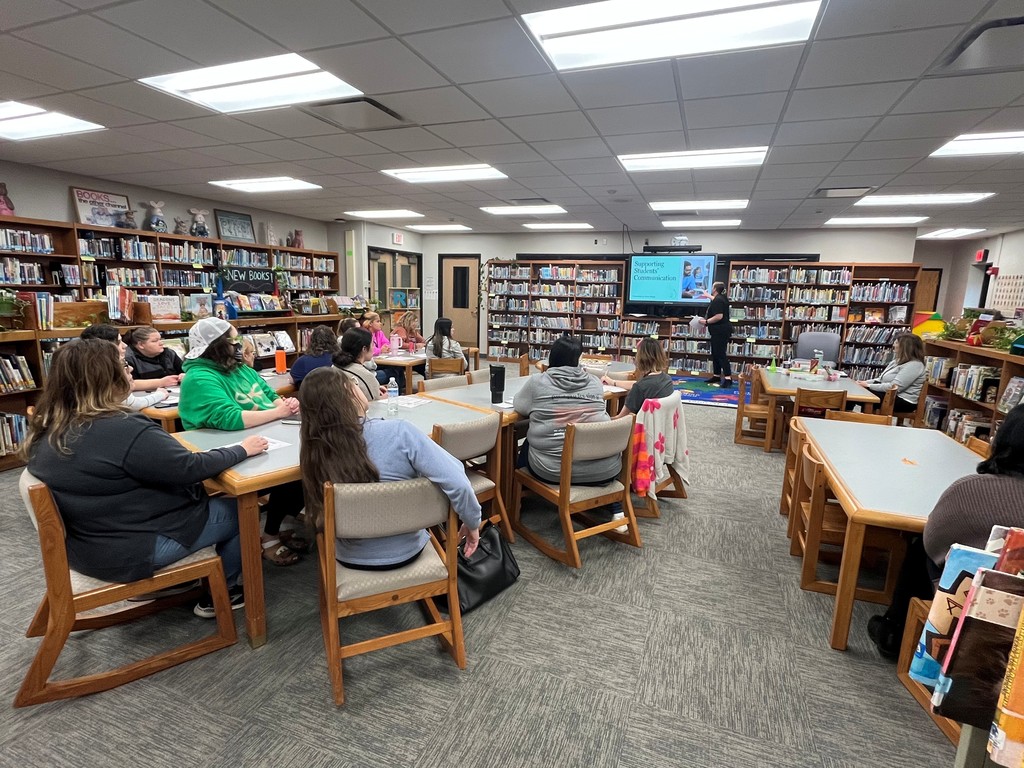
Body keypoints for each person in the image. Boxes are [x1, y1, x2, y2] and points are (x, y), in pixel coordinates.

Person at [23, 339, 268, 617]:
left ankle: (184, 580)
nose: (129, 370)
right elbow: (189, 468)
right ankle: (225, 591)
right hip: (132, 549)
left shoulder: (49, 425)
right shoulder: (122, 427)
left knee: (216, 499)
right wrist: (241, 449)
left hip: (89, 545)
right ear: (107, 377)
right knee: (241, 511)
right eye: (122, 365)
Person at [867, 404, 1024, 658]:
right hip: (1019, 616)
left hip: (964, 602)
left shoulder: (969, 490)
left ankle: (895, 630)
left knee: (921, 545)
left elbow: (933, 540)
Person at [299, 366, 480, 568]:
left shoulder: (313, 449)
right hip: (408, 551)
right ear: (348, 392)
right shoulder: (399, 432)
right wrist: (473, 523)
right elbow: (458, 483)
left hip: (348, 558)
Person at [178, 317, 306, 566]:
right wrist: (279, 413)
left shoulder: (241, 369)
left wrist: (286, 404)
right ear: (217, 346)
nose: (239, 344)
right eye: (233, 340)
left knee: (305, 469)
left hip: (268, 439)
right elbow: (230, 418)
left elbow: (270, 395)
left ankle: (273, 531)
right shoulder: (199, 377)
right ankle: (268, 538)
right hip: (226, 450)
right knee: (290, 477)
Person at [513, 334, 618, 484]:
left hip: (554, 471)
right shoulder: (595, 383)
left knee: (529, 441)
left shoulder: (538, 382)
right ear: (578, 360)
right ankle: (611, 500)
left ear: (552, 358)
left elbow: (520, 406)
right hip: (605, 470)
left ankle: (517, 495)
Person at [80, 323, 170, 408]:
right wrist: (159, 394)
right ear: (105, 346)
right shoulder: (107, 370)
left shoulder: (83, 366)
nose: (125, 345)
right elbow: (132, 403)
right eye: (119, 342)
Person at [603, 338, 674, 418]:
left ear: (641, 358)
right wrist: (612, 382)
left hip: (639, 428)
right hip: (659, 425)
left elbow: (621, 419)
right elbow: (637, 384)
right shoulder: (667, 379)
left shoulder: (640, 387)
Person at [857, 333, 926, 414]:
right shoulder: (896, 361)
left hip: (903, 401)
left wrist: (868, 386)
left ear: (905, 347)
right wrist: (863, 382)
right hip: (890, 395)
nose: (893, 345)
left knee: (862, 393)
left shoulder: (915, 365)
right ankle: (847, 416)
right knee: (858, 389)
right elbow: (880, 379)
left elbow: (895, 387)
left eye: (896, 343)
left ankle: (847, 417)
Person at [334, 327, 386, 401]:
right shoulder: (365, 376)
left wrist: (374, 387)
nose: (373, 348)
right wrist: (385, 398)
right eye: (372, 344)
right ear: (364, 349)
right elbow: (374, 404)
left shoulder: (335, 366)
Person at [698, 281, 732, 388]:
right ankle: (716, 375)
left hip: (720, 331)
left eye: (712, 287)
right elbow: (716, 300)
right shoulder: (722, 298)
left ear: (715, 289)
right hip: (720, 330)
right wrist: (708, 296)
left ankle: (728, 378)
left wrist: (706, 322)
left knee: (720, 354)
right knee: (715, 353)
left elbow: (719, 316)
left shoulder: (718, 300)